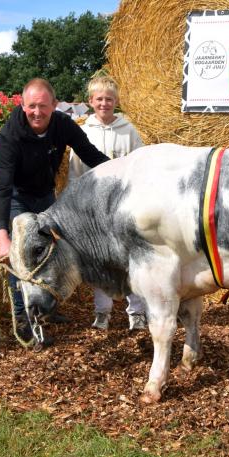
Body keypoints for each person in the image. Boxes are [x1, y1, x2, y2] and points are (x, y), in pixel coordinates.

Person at [0, 78, 109, 349]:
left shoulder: (63, 125)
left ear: (55, 106)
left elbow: (90, 155)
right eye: (31, 106)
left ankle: (47, 307)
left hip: (45, 194)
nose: (36, 112)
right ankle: (24, 323)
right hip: (18, 197)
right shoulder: (11, 135)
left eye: (43, 106)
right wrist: (2, 235)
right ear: (22, 105)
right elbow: (1, 187)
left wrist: (124, 170)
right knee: (21, 258)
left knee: (51, 251)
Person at [68, 75, 147, 331]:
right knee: (100, 262)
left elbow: (140, 164)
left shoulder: (128, 130)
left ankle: (137, 312)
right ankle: (102, 312)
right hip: (95, 209)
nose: (104, 103)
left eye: (109, 99)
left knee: (129, 260)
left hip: (123, 205)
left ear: (116, 101)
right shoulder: (83, 132)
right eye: (99, 99)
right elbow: (75, 171)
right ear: (91, 101)